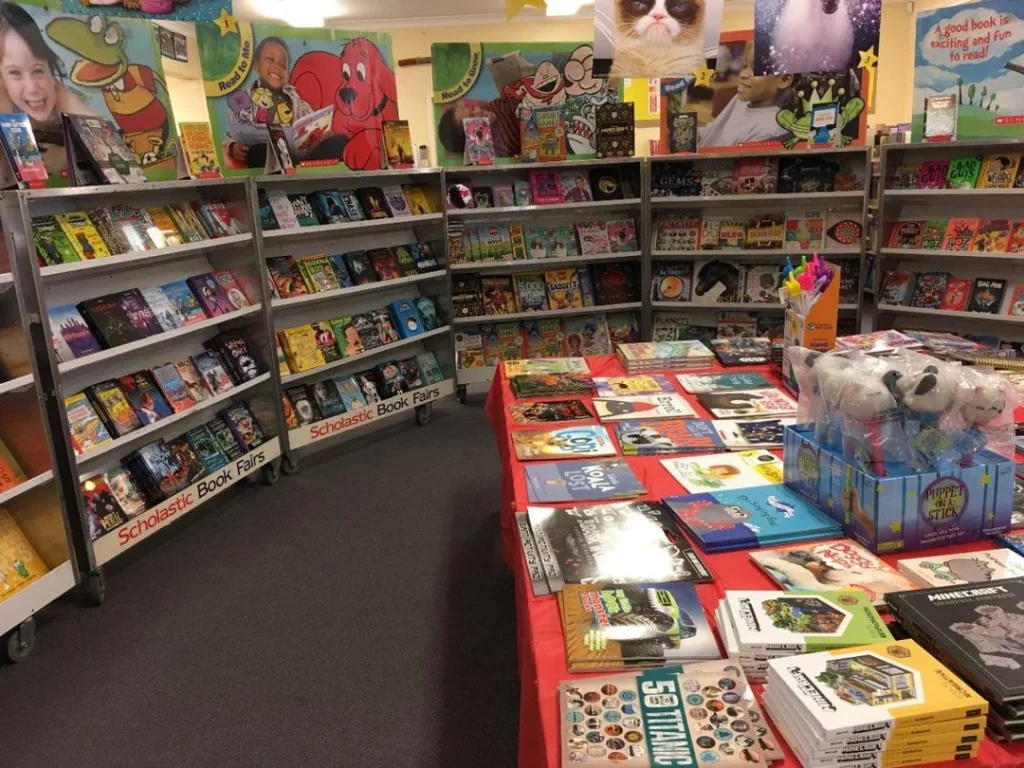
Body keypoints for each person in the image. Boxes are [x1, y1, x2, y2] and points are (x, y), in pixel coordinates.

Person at [0, 3, 94, 175]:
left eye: (38, 70)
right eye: (15, 73)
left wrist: (66, 155)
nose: (32, 88)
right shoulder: (4, 100)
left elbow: (109, 146)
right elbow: (29, 168)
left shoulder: (58, 91)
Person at [226, 36, 312, 169]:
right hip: (264, 156)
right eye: (270, 59)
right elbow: (230, 136)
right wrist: (232, 147)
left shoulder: (297, 102)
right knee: (259, 152)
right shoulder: (242, 99)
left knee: (337, 142)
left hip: (297, 156)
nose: (277, 67)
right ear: (256, 65)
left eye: (283, 65)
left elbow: (312, 129)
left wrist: (322, 134)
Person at [698, 42, 793, 148]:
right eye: (745, 65)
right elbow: (713, 132)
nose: (742, 74)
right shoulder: (741, 100)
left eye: (755, 69)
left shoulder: (769, 131)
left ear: (784, 80)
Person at [438, 99, 521, 159]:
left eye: (472, 109)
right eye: (472, 118)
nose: (478, 112)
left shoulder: (495, 105)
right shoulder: (498, 148)